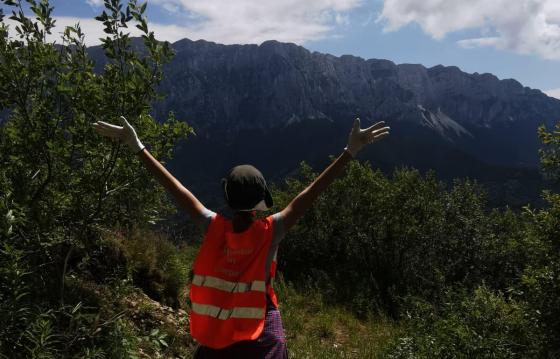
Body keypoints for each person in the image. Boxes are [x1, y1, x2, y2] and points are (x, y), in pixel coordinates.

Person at [93, 116, 389, 358]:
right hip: (262, 334)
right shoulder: (272, 230)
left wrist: (138, 146)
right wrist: (349, 152)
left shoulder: (212, 226)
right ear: (262, 201)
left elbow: (178, 192)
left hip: (216, 335)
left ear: (227, 197)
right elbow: (308, 196)